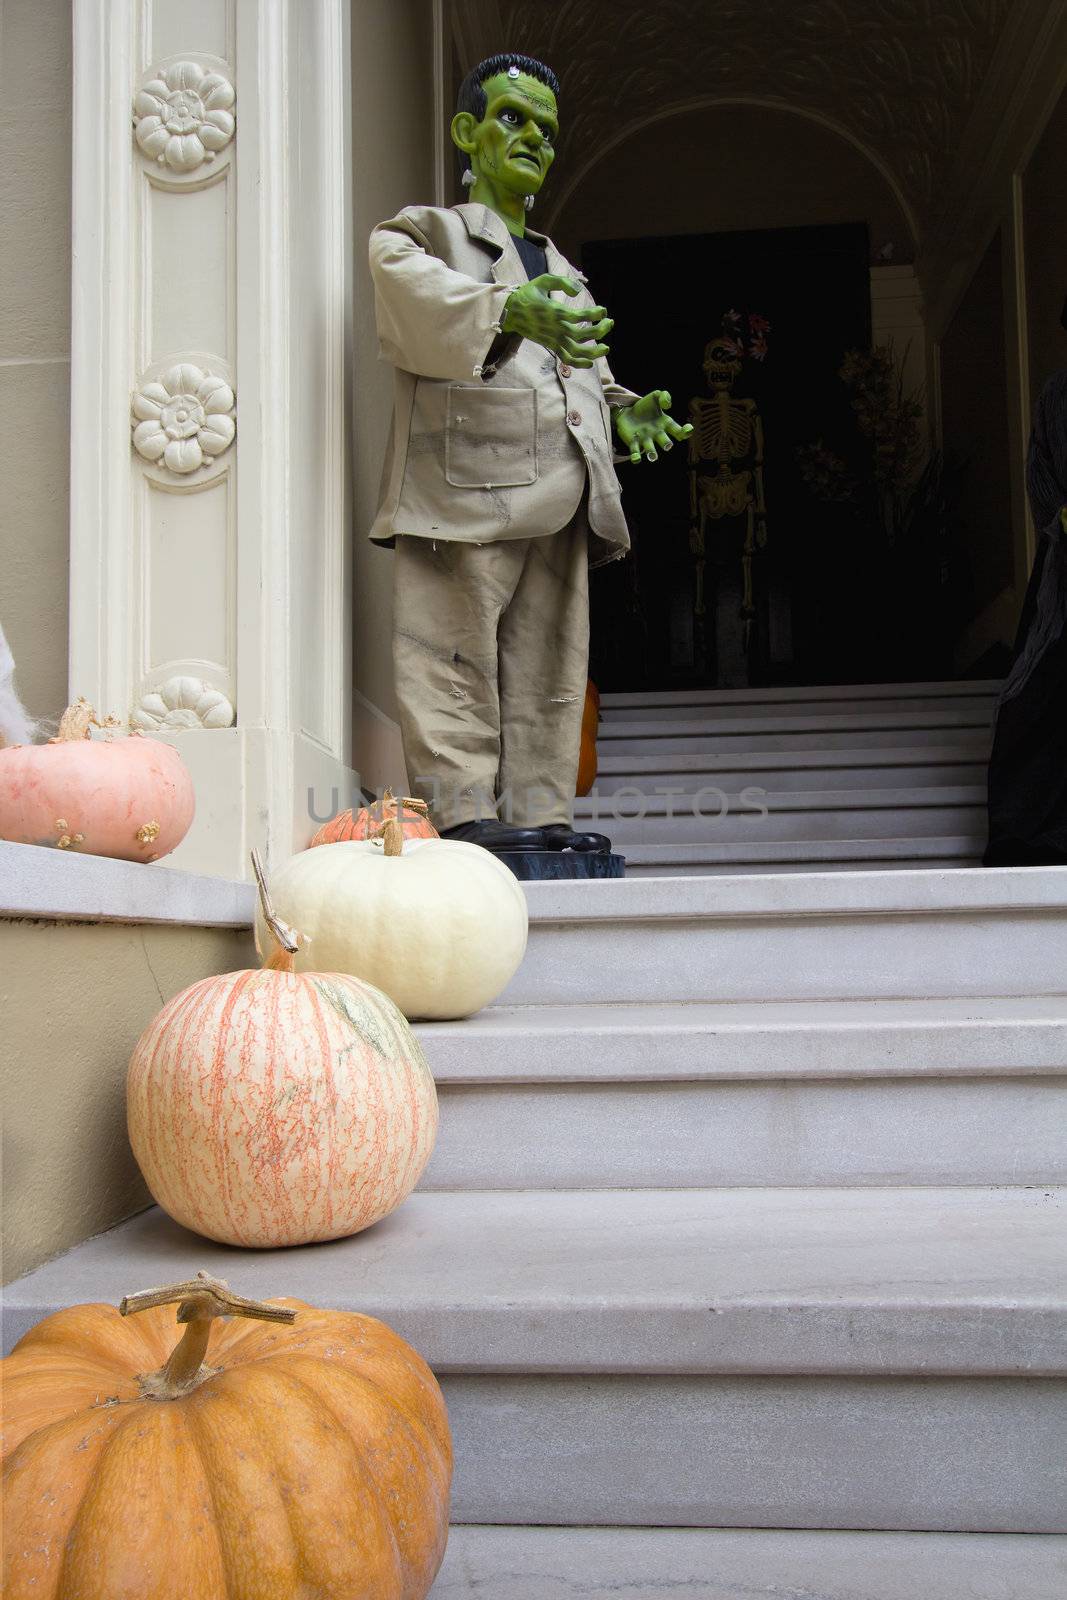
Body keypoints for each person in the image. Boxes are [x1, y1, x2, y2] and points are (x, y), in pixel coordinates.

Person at [368, 52, 691, 856]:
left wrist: (623, 411)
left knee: (552, 664)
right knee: (450, 652)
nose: (533, 139)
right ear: (466, 132)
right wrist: (508, 308)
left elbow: (582, 367)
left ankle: (543, 819)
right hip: (462, 489)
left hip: (563, 488)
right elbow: (414, 306)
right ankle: (461, 815)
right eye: (513, 118)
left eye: (546, 130)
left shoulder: (570, 272)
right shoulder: (425, 233)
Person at [984, 298, 1067, 866]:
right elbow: (1041, 480)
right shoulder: (1057, 395)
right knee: (1041, 695)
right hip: (1065, 571)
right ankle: (1031, 837)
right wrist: (1061, 517)